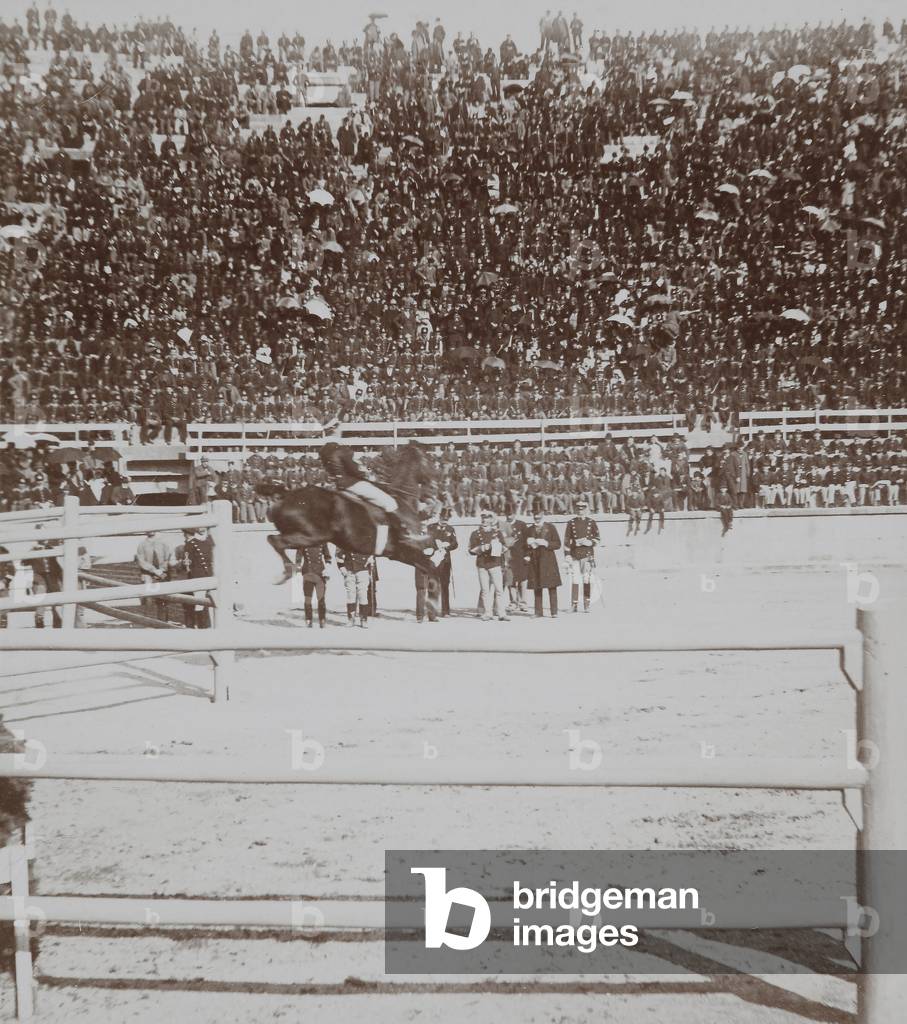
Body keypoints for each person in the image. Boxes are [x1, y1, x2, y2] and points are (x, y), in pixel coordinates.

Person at [319, 419, 417, 554]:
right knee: (390, 503)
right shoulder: (341, 449)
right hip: (353, 484)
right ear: (335, 429)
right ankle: (403, 533)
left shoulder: (323, 450)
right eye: (339, 428)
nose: (341, 430)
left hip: (338, 486)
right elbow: (354, 470)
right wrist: (367, 474)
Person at [468, 509, 508, 622]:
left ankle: (501, 613)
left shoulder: (497, 533)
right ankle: (488, 613)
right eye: (483, 519)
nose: (485, 521)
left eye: (487, 519)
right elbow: (470, 550)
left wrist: (496, 546)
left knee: (499, 589)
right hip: (482, 564)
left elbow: (505, 548)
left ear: (491, 520)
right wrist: (481, 548)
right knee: (485, 590)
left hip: (495, 563)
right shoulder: (475, 534)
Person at [523, 504, 562, 618]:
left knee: (552, 586)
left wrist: (546, 543)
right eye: (535, 515)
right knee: (537, 586)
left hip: (548, 561)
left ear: (543, 515)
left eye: (539, 515)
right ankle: (538, 612)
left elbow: (558, 544)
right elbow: (525, 547)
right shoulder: (529, 529)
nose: (537, 517)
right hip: (535, 561)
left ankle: (554, 612)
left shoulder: (550, 527)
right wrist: (528, 551)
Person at [564, 498, 599, 612]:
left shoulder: (591, 522)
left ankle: (586, 604)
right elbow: (566, 540)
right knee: (575, 579)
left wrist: (590, 542)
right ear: (576, 509)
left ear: (586, 509)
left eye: (583, 509)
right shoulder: (571, 523)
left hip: (587, 555)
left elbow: (598, 538)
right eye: (578, 509)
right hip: (575, 554)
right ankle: (574, 604)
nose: (580, 511)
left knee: (586, 579)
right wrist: (567, 555)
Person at [135, 529, 172, 621]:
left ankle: (163, 622)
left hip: (162, 574)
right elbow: (141, 561)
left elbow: (167, 558)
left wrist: (162, 570)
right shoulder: (142, 544)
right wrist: (154, 570)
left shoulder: (163, 543)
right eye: (149, 529)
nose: (151, 531)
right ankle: (149, 622)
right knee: (149, 599)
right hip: (148, 575)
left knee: (163, 598)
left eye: (153, 529)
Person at [427, 507, 457, 616]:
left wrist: (448, 546)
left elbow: (455, 544)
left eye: (447, 519)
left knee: (445, 585)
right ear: (440, 517)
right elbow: (427, 541)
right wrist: (436, 545)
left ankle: (445, 611)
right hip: (434, 560)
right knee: (433, 585)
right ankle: (432, 611)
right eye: (444, 519)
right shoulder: (431, 528)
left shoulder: (450, 529)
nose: (445, 521)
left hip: (445, 561)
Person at [183, 526, 215, 628]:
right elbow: (188, 564)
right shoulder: (190, 544)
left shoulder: (210, 541)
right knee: (200, 602)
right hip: (198, 576)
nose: (202, 529)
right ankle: (203, 626)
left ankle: (211, 624)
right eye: (199, 527)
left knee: (214, 600)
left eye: (204, 527)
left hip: (210, 575)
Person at [295, 542, 332, 628]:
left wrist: (328, 569)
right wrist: (297, 570)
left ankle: (322, 619)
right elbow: (298, 557)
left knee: (321, 598)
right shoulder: (303, 540)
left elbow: (328, 557)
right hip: (308, 572)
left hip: (320, 573)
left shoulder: (323, 541)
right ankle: (308, 620)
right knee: (308, 598)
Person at [336, 548, 372, 628]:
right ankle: (351, 619)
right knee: (350, 595)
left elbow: (371, 550)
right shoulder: (345, 539)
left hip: (363, 569)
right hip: (349, 570)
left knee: (363, 595)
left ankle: (364, 619)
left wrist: (371, 559)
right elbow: (338, 555)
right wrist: (342, 568)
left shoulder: (365, 538)